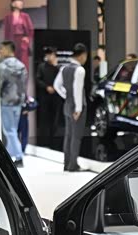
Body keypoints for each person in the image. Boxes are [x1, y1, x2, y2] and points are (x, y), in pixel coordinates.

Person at [54, 43, 89, 172]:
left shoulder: (64, 68)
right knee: (76, 136)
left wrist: (66, 95)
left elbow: (57, 85)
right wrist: (78, 109)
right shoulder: (80, 70)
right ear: (82, 55)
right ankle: (73, 165)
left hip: (67, 105)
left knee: (68, 135)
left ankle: (67, 163)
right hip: (76, 106)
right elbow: (77, 89)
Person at [0, 40, 28, 167]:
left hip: (6, 101)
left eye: (2, 49)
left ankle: (19, 157)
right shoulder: (21, 65)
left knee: (9, 131)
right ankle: (11, 155)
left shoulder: (2, 66)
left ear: (7, 49)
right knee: (13, 130)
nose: (1, 51)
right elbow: (24, 84)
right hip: (18, 101)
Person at [36, 47, 62, 147]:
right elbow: (38, 79)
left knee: (55, 118)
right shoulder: (41, 66)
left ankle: (53, 139)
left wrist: (56, 66)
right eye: (47, 55)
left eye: (51, 54)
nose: (49, 56)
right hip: (45, 96)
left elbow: (62, 79)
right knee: (44, 118)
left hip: (56, 96)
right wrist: (46, 87)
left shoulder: (58, 67)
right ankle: (44, 140)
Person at [4, 0, 34, 70]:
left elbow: (31, 29)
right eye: (19, 1)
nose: (21, 3)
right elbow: (6, 32)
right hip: (12, 40)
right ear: (13, 4)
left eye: (21, 2)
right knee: (13, 60)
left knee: (23, 61)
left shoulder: (25, 16)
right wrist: (6, 44)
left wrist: (27, 38)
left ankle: (24, 76)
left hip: (22, 41)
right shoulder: (8, 17)